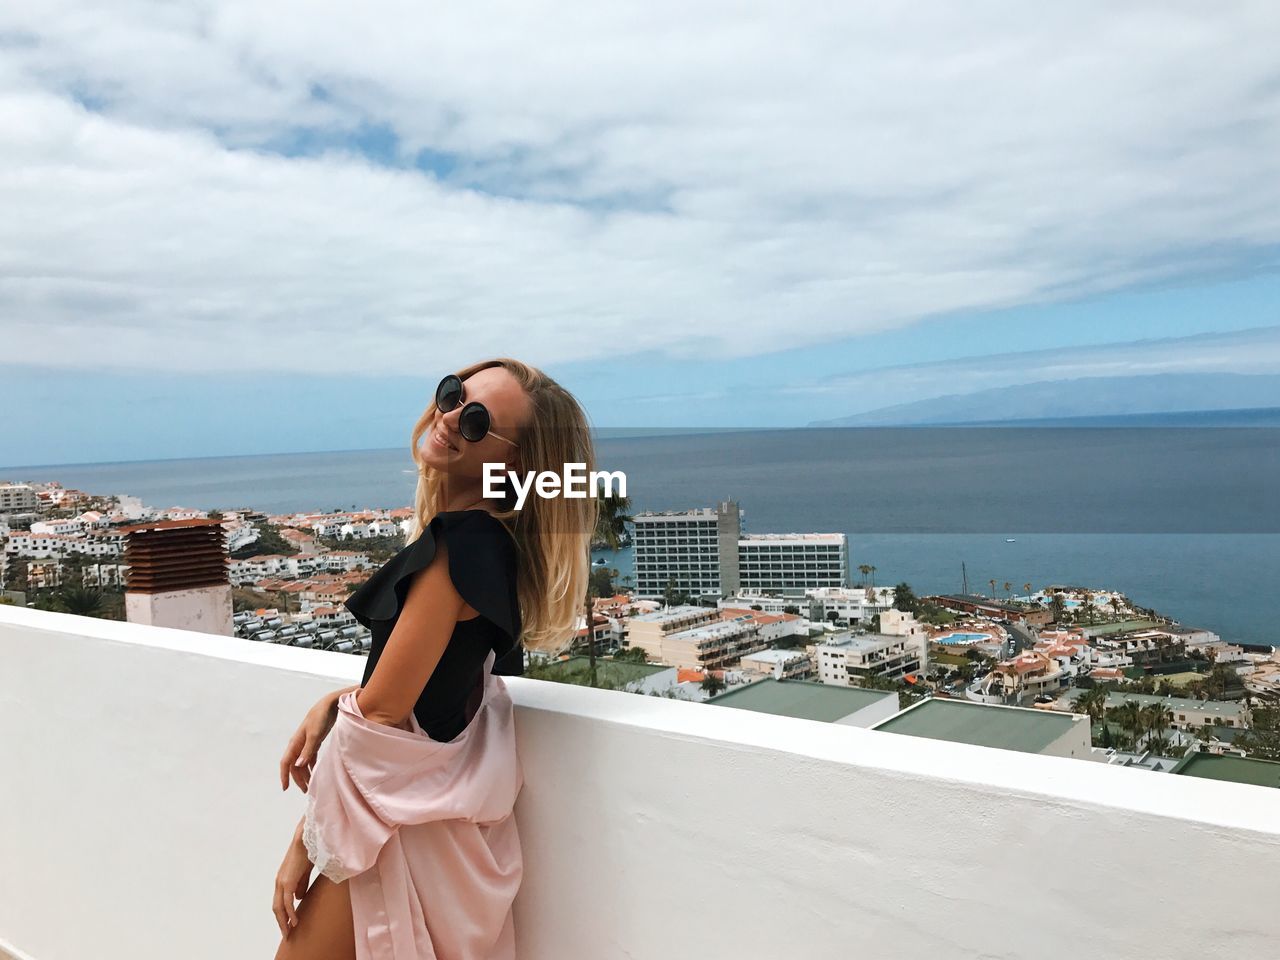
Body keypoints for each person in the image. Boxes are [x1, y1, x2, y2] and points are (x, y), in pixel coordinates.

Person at [271, 358, 597, 959]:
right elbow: (432, 684)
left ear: (513, 465)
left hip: (391, 838)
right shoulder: (488, 544)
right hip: (425, 834)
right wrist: (337, 702)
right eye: (454, 396)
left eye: (476, 422)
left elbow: (380, 721)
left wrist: (304, 845)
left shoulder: (458, 550)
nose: (449, 418)